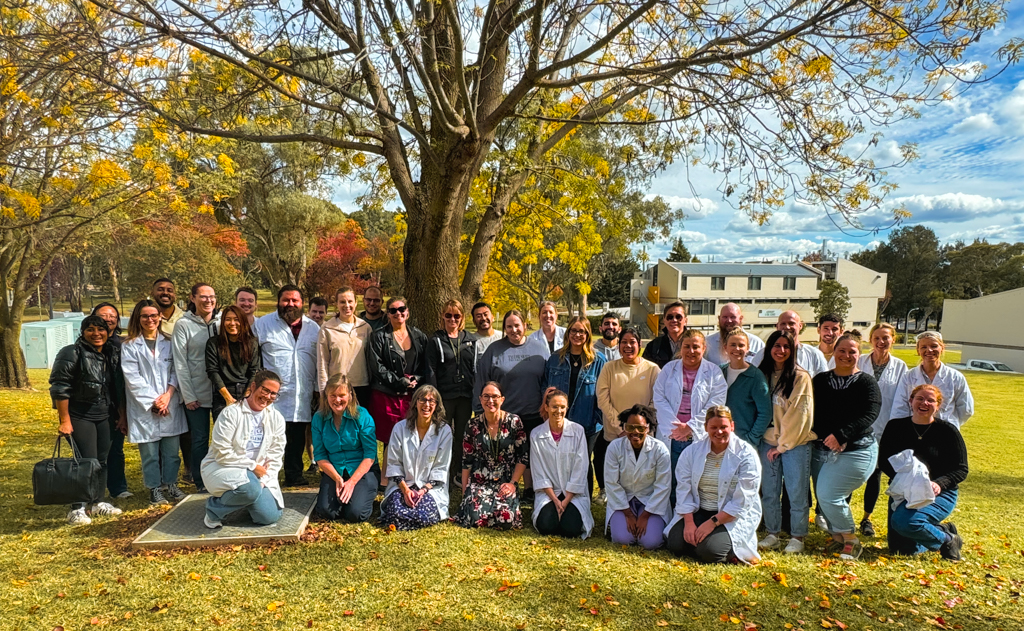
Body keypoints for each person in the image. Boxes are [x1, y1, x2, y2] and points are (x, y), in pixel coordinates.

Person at [810, 333, 881, 560]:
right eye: (842, 350)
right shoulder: (820, 381)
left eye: (852, 351)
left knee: (830, 494)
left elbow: (869, 414)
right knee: (824, 496)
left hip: (858, 450)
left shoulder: (867, 382)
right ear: (833, 352)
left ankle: (850, 539)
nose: (847, 355)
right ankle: (839, 537)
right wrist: (827, 436)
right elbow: (812, 412)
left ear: (859, 354)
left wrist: (842, 435)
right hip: (826, 448)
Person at [49, 316, 126, 525]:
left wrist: (120, 415)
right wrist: (65, 420)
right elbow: (60, 387)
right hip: (80, 415)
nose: (96, 334)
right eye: (90, 330)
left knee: (102, 460)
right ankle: (77, 508)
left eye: (101, 330)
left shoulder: (110, 353)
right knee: (85, 462)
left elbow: (116, 388)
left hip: (105, 415)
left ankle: (97, 502)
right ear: (82, 332)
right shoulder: (71, 353)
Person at [879, 384, 967, 561]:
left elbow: (961, 469)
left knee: (905, 523)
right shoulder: (895, 427)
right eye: (919, 398)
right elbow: (884, 461)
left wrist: (939, 483)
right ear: (911, 401)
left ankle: (948, 539)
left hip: (939, 493)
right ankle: (942, 531)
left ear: (938, 405)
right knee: (902, 549)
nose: (924, 403)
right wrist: (907, 480)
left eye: (930, 400)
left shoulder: (948, 431)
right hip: (904, 490)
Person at [665, 406, 762, 564]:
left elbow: (742, 501)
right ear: (705, 428)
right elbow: (684, 490)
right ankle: (708, 542)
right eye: (714, 427)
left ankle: (725, 548)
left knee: (709, 551)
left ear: (732, 426)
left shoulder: (746, 455)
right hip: (700, 509)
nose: (719, 432)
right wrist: (689, 523)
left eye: (723, 427)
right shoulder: (691, 452)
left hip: (729, 515)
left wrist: (713, 523)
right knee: (675, 544)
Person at [475, 309, 551, 501]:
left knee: (533, 454)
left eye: (517, 325)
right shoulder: (494, 350)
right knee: (510, 454)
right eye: (509, 326)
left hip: (535, 412)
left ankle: (532, 490)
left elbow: (547, 381)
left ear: (525, 325)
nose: (514, 330)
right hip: (505, 415)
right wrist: (479, 409)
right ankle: (507, 487)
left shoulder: (540, 349)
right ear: (504, 328)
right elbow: (482, 380)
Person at [121, 300, 187, 506]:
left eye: (153, 315)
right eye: (145, 316)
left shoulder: (169, 342)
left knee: (172, 452)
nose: (150, 320)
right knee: (149, 453)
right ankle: (155, 488)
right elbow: (132, 377)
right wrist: (155, 402)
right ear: (138, 319)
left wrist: (167, 396)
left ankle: (172, 484)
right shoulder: (130, 345)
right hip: (145, 408)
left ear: (160, 317)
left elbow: (177, 370)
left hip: (170, 402)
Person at [201, 371, 287, 528]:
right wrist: (253, 467)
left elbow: (276, 456)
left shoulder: (277, 419)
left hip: (259, 477)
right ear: (253, 386)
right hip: (222, 467)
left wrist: (264, 482)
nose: (268, 397)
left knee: (270, 516)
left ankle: (245, 499)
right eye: (265, 390)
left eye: (273, 394)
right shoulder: (231, 413)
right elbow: (222, 454)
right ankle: (213, 511)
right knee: (249, 488)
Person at [756, 330, 815, 554]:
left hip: (794, 443)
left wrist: (782, 446)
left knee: (795, 490)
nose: (781, 351)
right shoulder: (762, 374)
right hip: (767, 442)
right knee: (770, 491)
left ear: (792, 350)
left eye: (786, 347)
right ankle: (772, 533)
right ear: (769, 348)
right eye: (776, 346)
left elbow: (799, 415)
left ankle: (797, 536)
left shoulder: (800, 377)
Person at [254, 285, 319, 486]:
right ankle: (264, 475)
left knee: (297, 436)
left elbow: (319, 362)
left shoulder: (313, 328)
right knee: (269, 437)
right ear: (278, 301)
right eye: (286, 300)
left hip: (302, 393)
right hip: (271, 395)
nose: (290, 304)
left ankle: (294, 474)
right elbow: (254, 359)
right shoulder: (263, 324)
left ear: (302, 303)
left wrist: (317, 390)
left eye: (295, 300)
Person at [367, 295, 429, 483]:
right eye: (393, 310)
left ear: (407, 312)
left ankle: (408, 476)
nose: (398, 313)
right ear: (388, 314)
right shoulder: (378, 336)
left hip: (412, 395)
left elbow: (425, 364)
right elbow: (376, 366)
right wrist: (399, 381)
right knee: (390, 438)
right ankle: (386, 480)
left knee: (410, 436)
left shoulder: (419, 336)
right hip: (387, 394)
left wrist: (416, 379)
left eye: (401, 309)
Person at [595, 328, 661, 504]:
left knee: (641, 474)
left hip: (644, 434)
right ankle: (616, 504)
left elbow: (658, 401)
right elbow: (603, 399)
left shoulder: (652, 369)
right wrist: (622, 428)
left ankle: (643, 503)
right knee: (618, 473)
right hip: (615, 433)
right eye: (624, 342)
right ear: (618, 345)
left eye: (632, 342)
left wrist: (639, 428)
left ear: (639, 345)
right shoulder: (609, 368)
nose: (628, 346)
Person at [541, 316, 606, 496]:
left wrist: (597, 419)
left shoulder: (598, 360)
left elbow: (604, 392)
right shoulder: (555, 359)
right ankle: (561, 493)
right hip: (560, 420)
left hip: (588, 422)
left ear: (588, 334)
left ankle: (583, 498)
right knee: (562, 458)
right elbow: (545, 386)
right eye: (573, 331)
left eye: (582, 331)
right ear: (568, 333)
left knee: (582, 461)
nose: (577, 335)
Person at [652, 329, 728, 480]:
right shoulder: (669, 369)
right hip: (671, 435)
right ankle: (673, 504)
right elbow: (659, 398)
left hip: (697, 435)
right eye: (687, 346)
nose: (691, 351)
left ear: (704, 348)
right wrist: (677, 428)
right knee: (670, 478)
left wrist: (690, 427)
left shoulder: (714, 372)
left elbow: (715, 404)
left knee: (696, 479)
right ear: (681, 347)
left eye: (696, 347)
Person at [453, 382, 529, 529]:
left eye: (495, 396)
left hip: (505, 480)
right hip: (479, 481)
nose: (491, 401)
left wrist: (513, 483)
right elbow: (466, 461)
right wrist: (465, 492)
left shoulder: (514, 422)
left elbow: (523, 457)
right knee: (474, 518)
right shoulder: (472, 425)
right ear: (480, 399)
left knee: (506, 519)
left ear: (502, 399)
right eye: (486, 396)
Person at [857, 322, 909, 538]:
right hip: (858, 427)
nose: (881, 342)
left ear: (892, 340)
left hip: (886, 428)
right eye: (877, 338)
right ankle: (842, 518)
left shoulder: (900, 367)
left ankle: (866, 518)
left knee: (875, 475)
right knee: (852, 473)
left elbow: (903, 399)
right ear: (871, 340)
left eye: (885, 338)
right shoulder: (859, 361)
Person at [381, 386, 454, 530]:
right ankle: (402, 517)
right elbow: (394, 464)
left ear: (437, 406)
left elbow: (441, 467)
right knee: (395, 512)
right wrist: (406, 490)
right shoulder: (399, 428)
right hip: (402, 486)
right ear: (415, 403)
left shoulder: (444, 431)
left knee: (423, 515)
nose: (427, 405)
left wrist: (422, 491)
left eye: (432, 401)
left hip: (430, 489)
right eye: (423, 400)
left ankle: (406, 519)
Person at [311, 374, 378, 523]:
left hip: (361, 470)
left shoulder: (363, 416)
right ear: (326, 396)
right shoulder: (318, 418)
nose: (337, 400)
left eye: (341, 395)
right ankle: (345, 500)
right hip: (335, 470)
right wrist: (337, 478)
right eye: (332, 395)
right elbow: (320, 455)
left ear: (350, 395)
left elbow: (370, 454)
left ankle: (361, 495)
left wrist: (352, 482)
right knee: (326, 512)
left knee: (355, 514)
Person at [172, 283, 219, 493]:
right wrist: (188, 395)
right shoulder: (183, 325)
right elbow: (180, 362)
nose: (208, 300)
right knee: (199, 439)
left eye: (212, 296)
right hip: (196, 394)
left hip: (220, 392)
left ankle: (219, 477)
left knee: (222, 439)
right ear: (192, 298)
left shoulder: (221, 323)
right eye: (203, 297)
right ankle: (200, 481)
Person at [604, 404, 671, 549]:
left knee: (651, 543)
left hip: (651, 501)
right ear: (624, 427)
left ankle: (650, 524)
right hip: (624, 500)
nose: (635, 432)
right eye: (630, 427)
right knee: (622, 539)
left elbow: (663, 486)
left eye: (640, 428)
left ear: (648, 428)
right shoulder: (615, 447)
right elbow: (611, 483)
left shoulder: (660, 450)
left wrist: (645, 516)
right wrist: (628, 514)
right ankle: (618, 523)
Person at [529, 389, 593, 538]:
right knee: (546, 526)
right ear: (546, 407)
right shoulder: (536, 434)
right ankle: (554, 510)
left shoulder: (578, 431)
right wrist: (556, 500)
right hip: (549, 493)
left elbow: (581, 467)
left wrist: (566, 500)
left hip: (574, 493)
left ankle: (568, 511)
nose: (559, 411)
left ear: (567, 408)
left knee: (571, 530)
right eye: (554, 406)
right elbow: (539, 470)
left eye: (562, 407)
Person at [425, 300, 476, 486]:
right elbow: (430, 369)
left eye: (456, 316)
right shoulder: (436, 340)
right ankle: (439, 474)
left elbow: (474, 368)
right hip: (444, 397)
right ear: (442, 317)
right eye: (448, 315)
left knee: (462, 437)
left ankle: (457, 473)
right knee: (442, 435)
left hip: (465, 397)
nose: (452, 319)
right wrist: (434, 398)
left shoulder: (470, 340)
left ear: (462, 317)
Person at [889, 331, 974, 430]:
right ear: (918, 350)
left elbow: (966, 409)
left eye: (934, 346)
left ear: (942, 348)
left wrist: (950, 423)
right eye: (924, 347)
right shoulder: (908, 377)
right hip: (914, 431)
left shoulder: (955, 377)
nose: (929, 350)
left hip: (945, 431)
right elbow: (900, 408)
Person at [91, 302, 130, 500]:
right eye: (103, 315)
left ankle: (118, 487)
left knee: (115, 449)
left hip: (115, 406)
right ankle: (90, 492)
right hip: (87, 409)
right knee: (91, 452)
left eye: (113, 316)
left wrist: (123, 413)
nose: (109, 319)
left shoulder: (122, 345)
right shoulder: (80, 347)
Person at [317, 286, 372, 406]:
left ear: (356, 303)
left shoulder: (365, 327)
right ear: (336, 304)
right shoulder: (327, 329)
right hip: (337, 388)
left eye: (350, 301)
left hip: (361, 387)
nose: (346, 305)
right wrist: (323, 391)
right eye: (342, 302)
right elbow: (322, 363)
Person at [206, 305, 262, 421]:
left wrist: (247, 397)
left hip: (247, 391)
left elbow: (254, 371)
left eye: (236, 319)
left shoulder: (252, 343)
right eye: (228, 319)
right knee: (225, 435)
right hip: (223, 393)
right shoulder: (214, 343)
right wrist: (228, 398)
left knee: (246, 434)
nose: (232, 323)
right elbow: (213, 371)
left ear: (243, 321)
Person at [720, 329, 772, 447]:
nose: (737, 349)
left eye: (741, 345)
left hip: (743, 442)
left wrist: (751, 439)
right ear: (725, 347)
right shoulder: (719, 372)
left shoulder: (755, 376)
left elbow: (765, 413)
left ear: (747, 348)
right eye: (733, 345)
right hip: (719, 439)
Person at [750, 311, 828, 377]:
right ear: (777, 326)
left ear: (800, 326)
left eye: (791, 323)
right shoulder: (763, 354)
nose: (787, 327)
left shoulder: (814, 354)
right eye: (783, 324)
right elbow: (752, 378)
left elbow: (824, 382)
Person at [643, 301, 688, 368]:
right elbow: (645, 371)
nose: (674, 320)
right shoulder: (653, 346)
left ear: (685, 321)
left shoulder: (695, 345)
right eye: (670, 317)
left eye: (678, 317)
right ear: (664, 320)